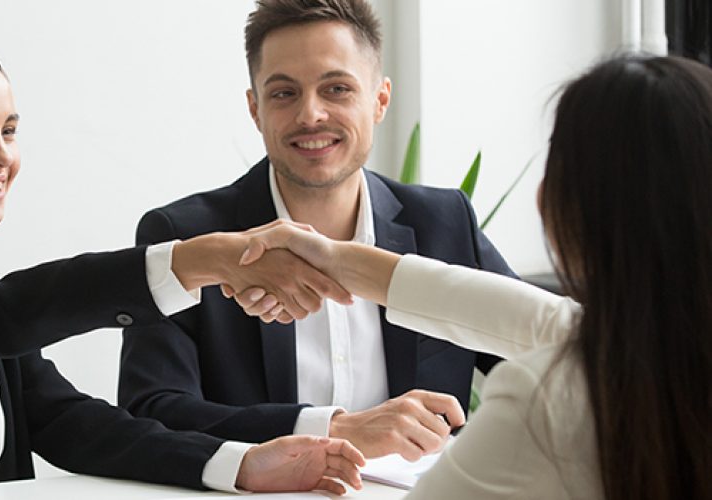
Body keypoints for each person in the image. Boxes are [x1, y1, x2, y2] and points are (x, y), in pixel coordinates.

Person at [0, 36, 366, 494]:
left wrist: (239, 466)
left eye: (9, 131)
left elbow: (74, 425)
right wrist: (194, 260)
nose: (1, 154)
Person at [235, 54, 712, 500]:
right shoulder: (658, 346)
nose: (311, 114)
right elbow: (534, 317)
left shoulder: (544, 399)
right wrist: (334, 258)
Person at [118, 0, 512, 461]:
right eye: (284, 93)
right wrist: (333, 428)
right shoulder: (186, 235)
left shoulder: (445, 223)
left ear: (380, 100)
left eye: (337, 89)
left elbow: (552, 366)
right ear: (255, 108)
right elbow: (152, 413)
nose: (311, 115)